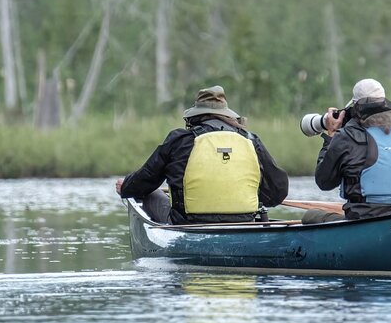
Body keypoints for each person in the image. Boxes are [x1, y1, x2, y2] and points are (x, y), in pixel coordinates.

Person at [115, 85, 289, 224]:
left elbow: (145, 181)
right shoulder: (251, 140)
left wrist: (126, 187)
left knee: (150, 194)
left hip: (189, 223)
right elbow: (278, 192)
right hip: (244, 221)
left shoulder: (179, 140)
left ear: (194, 117)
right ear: (226, 115)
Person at [304, 78, 391, 223]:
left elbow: (324, 182)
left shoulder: (346, 136)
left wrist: (332, 136)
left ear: (355, 106)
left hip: (366, 219)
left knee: (310, 216)